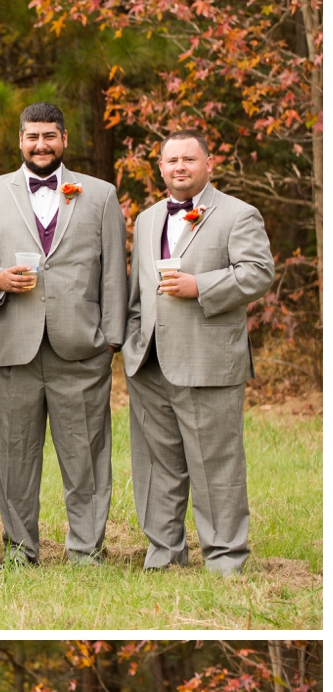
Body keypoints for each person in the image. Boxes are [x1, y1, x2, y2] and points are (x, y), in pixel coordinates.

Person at [0, 102, 127, 568]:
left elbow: (114, 270)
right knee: (14, 456)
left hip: (81, 346)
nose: (40, 145)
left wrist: (111, 338)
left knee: (86, 456)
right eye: (32, 136)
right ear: (20, 140)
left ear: (64, 139)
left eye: (49, 136)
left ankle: (86, 549)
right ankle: (19, 549)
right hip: (15, 343)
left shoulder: (100, 194)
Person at [122, 130, 275, 575]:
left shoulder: (238, 214)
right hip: (149, 361)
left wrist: (200, 286)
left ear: (210, 164)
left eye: (190, 159)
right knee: (156, 463)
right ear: (161, 167)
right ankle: (163, 552)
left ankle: (225, 556)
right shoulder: (148, 218)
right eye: (172, 161)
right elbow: (138, 290)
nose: (180, 167)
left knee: (215, 464)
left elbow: (258, 273)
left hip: (208, 359)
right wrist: (134, 337)